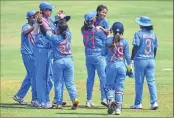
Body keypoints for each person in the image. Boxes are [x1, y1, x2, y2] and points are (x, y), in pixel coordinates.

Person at [37, 13, 79, 110]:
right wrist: (62, 19)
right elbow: (65, 27)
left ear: (58, 29)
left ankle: (59, 103)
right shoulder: (68, 35)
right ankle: (74, 99)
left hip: (58, 62)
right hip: (69, 61)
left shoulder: (55, 38)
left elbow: (44, 33)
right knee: (70, 82)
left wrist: (40, 23)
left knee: (59, 83)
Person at [102, 22, 132, 115]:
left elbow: (103, 53)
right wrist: (129, 69)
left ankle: (111, 101)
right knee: (119, 87)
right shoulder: (125, 42)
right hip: (122, 67)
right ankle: (118, 108)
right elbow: (127, 57)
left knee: (109, 86)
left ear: (112, 30)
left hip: (111, 66)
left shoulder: (108, 41)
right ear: (122, 31)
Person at [130, 16, 158, 110]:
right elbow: (155, 48)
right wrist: (152, 58)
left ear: (142, 24)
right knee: (151, 82)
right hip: (151, 60)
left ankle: (138, 104)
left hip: (140, 60)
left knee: (139, 83)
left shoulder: (138, 34)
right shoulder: (153, 34)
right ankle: (154, 103)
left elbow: (136, 47)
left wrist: (131, 59)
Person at [81, 12, 108, 108]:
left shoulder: (83, 30)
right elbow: (106, 40)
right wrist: (101, 28)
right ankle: (104, 98)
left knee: (90, 78)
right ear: (93, 20)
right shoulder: (98, 31)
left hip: (88, 56)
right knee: (103, 77)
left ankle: (88, 100)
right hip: (99, 55)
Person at [34, 1, 56, 108]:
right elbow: (36, 31)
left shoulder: (49, 20)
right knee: (41, 76)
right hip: (40, 50)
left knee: (49, 76)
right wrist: (38, 21)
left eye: (51, 10)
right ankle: (41, 100)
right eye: (49, 10)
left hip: (49, 50)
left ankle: (44, 99)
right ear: (43, 11)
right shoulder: (39, 21)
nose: (50, 12)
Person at [13, 10, 37, 105]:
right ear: (30, 18)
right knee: (33, 76)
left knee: (30, 76)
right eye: (34, 17)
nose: (35, 19)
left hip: (32, 54)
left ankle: (19, 96)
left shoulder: (34, 27)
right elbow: (25, 33)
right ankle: (34, 99)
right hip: (27, 54)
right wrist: (35, 26)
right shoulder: (26, 26)